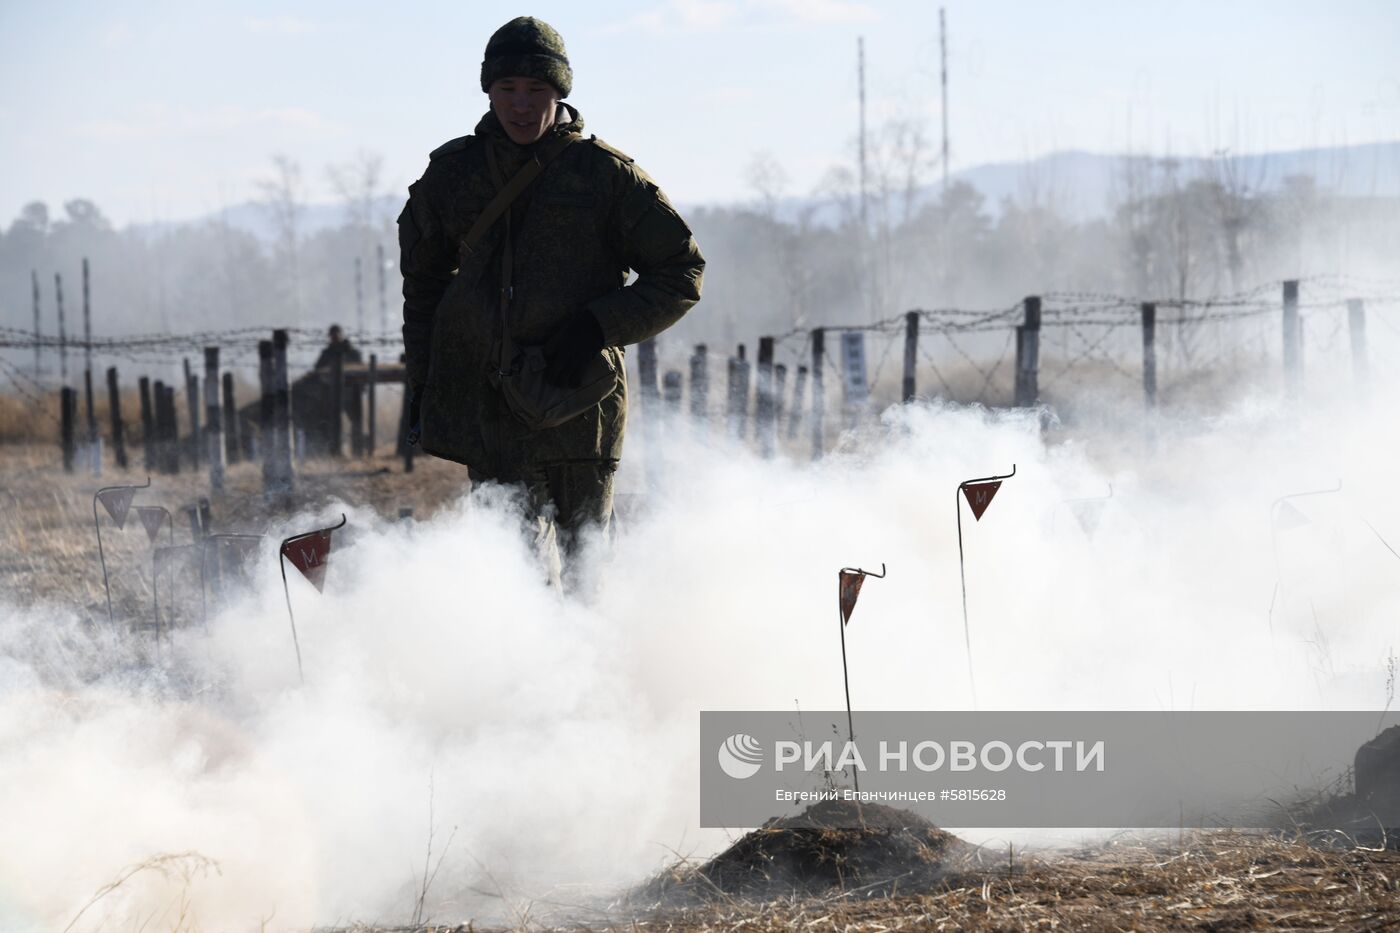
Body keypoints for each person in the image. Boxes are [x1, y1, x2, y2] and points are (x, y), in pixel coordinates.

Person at [398, 15, 704, 580]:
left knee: (592, 577)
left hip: (581, 407)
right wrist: (426, 383)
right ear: (488, 90)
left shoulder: (605, 176)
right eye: (507, 88)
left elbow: (681, 271)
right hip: (493, 416)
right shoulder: (453, 176)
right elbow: (423, 287)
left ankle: (605, 644)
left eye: (536, 89)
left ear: (559, 92)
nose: (521, 105)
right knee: (516, 584)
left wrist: (597, 327)